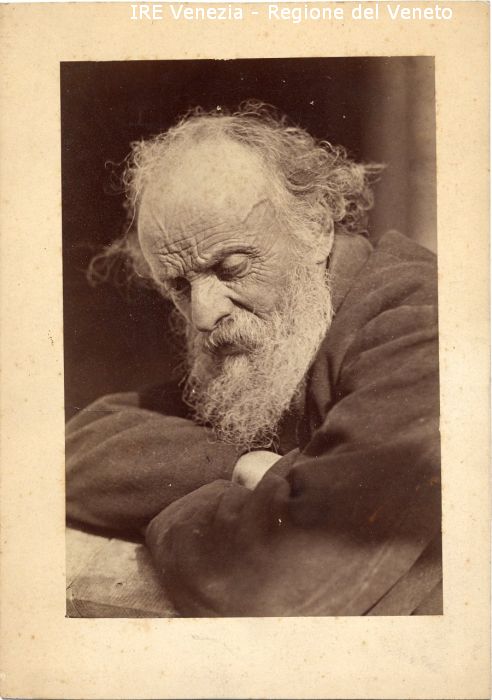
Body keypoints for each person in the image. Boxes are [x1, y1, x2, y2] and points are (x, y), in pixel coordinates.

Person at [66, 102, 441, 616]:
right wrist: (242, 468)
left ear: (316, 226)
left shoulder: (425, 325)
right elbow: (81, 447)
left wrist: (170, 511)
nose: (203, 314)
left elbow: (279, 587)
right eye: (179, 286)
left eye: (231, 267)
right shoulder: (273, 343)